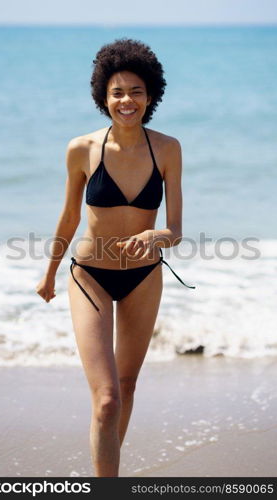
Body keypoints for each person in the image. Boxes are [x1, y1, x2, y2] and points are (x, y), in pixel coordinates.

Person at [36, 38, 195, 477]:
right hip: (91, 276)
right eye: (118, 92)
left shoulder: (167, 148)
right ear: (103, 98)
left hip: (145, 277)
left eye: (137, 92)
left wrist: (157, 235)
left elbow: (176, 231)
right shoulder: (81, 148)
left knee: (125, 386)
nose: (127, 100)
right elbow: (69, 216)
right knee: (106, 397)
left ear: (151, 96)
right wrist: (49, 273)